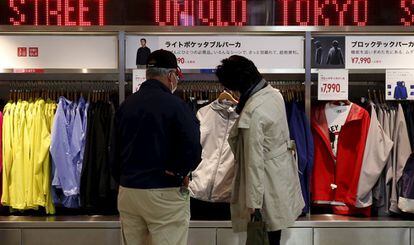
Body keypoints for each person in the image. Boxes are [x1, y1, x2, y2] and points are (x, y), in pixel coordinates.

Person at [110, 49, 202, 245]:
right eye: (176, 75)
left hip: (129, 192)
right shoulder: (177, 106)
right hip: (164, 192)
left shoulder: (126, 105)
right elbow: (193, 147)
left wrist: (124, 179)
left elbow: (114, 151)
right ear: (170, 75)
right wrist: (178, 171)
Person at [215, 55, 304, 245]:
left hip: (265, 187)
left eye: (233, 89)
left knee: (264, 236)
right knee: (274, 235)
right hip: (280, 178)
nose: (233, 94)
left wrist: (253, 204)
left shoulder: (253, 113)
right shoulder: (274, 94)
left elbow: (253, 162)